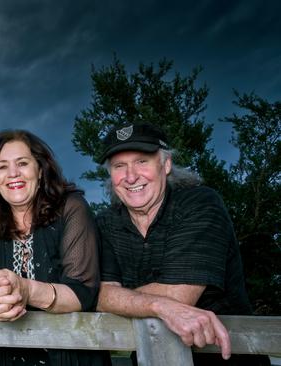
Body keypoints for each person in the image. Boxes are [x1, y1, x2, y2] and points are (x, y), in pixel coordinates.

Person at [95, 123, 270, 365]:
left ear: (165, 164)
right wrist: (155, 303)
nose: (131, 176)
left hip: (225, 356)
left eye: (142, 161)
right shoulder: (104, 222)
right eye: (119, 166)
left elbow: (178, 295)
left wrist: (114, 298)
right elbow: (96, 294)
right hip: (148, 358)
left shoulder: (199, 204)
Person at [0, 130, 110, 366]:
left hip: (70, 354)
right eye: (2, 166)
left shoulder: (71, 208)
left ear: (41, 169)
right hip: (4, 356)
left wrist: (25, 290)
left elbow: (82, 292)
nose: (13, 173)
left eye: (22, 163)